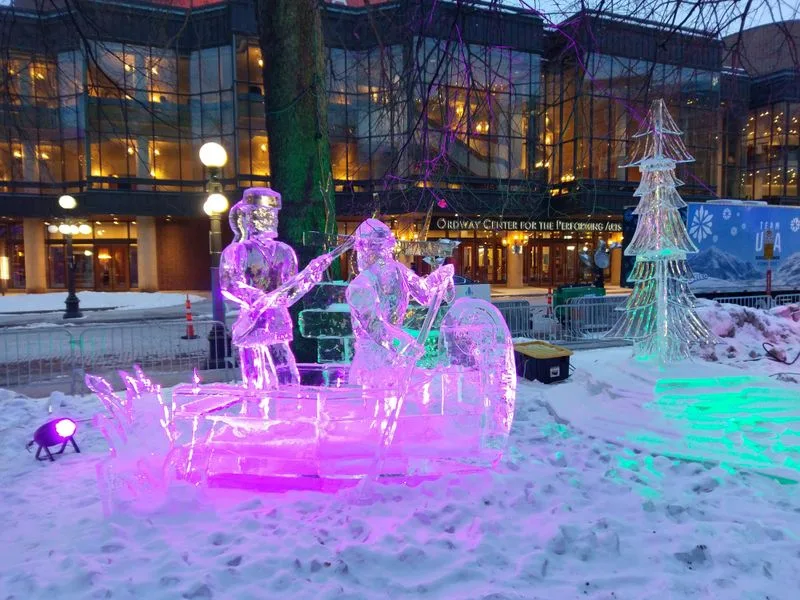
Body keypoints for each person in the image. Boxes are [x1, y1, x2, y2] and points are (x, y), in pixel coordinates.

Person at [219, 187, 333, 390]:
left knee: (288, 378)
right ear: (248, 217)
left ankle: (289, 414)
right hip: (252, 324)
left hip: (277, 323)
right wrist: (256, 297)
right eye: (263, 214)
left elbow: (288, 295)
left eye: (272, 214)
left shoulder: (285, 252)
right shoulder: (237, 251)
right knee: (255, 382)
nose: (270, 219)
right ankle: (256, 415)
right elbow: (229, 284)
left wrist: (309, 279)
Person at [345, 218, 454, 387]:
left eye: (386, 248)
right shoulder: (360, 285)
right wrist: (406, 344)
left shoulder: (398, 270)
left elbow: (424, 293)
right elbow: (375, 327)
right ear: (366, 249)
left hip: (394, 364)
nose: (385, 256)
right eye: (378, 248)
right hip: (370, 368)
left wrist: (442, 276)